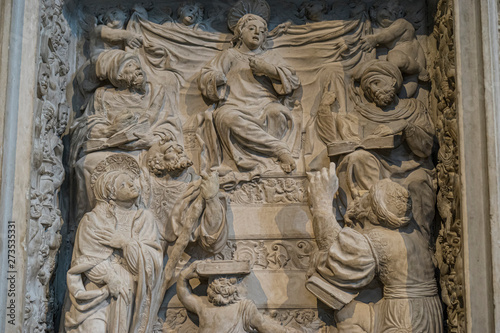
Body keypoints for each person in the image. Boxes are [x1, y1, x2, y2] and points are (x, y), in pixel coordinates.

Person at [306, 164, 443, 333]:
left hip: (406, 318)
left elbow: (337, 253)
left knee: (346, 314)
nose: (360, 198)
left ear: (374, 212)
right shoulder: (413, 233)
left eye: (368, 196)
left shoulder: (381, 239)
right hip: (427, 310)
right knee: (347, 314)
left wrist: (322, 205)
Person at [317, 60, 435, 237]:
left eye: (376, 83)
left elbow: (426, 148)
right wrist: (325, 109)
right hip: (375, 169)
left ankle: (419, 241)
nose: (373, 90)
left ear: (393, 81)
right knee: (357, 157)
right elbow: (335, 139)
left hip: (410, 168)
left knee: (417, 185)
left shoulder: (414, 109)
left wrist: (404, 127)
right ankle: (370, 225)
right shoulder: (360, 114)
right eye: (369, 88)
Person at [64, 165, 163, 333]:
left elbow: (154, 259)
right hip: (96, 290)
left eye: (131, 182)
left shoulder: (144, 218)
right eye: (123, 184)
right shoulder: (92, 219)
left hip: (129, 292)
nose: (132, 185)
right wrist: (109, 278)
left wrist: (125, 243)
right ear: (110, 194)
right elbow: (84, 259)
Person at [199, 14, 300, 175]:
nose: (257, 33)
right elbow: (207, 75)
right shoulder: (230, 55)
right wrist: (216, 78)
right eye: (251, 29)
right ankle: (279, 149)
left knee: (278, 113)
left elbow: (292, 79)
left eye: (261, 31)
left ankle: (269, 152)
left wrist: (269, 70)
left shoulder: (270, 56)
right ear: (240, 33)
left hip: (265, 105)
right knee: (228, 119)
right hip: (234, 107)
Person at [177, 261, 299, 333]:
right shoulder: (244, 307)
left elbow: (184, 294)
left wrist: (184, 276)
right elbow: (264, 326)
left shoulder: (203, 304)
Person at [360, 0, 429, 82]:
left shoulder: (402, 23)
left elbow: (390, 34)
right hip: (402, 69)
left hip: (412, 61)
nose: (389, 13)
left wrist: (375, 39)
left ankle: (420, 69)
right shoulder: (377, 29)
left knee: (394, 56)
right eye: (385, 8)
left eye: (395, 12)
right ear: (374, 12)